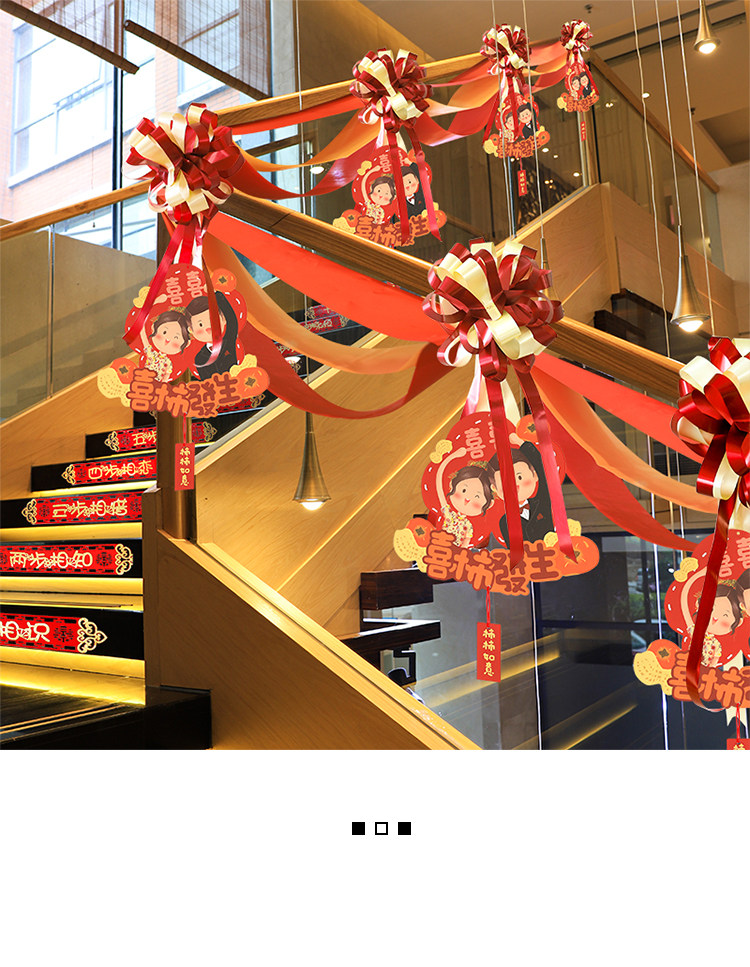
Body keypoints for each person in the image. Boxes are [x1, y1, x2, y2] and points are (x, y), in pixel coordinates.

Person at [489, 440, 554, 545]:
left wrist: (521, 443)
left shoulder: (541, 501)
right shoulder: (505, 522)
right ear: (494, 488)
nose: (514, 486)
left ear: (534, 475)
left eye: (519, 477)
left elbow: (543, 470)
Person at [435, 447, 494, 548]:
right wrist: (452, 457)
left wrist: (460, 553)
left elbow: (466, 543)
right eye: (463, 490)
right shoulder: (448, 513)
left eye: (477, 496)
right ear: (451, 485)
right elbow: (439, 484)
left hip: (453, 553)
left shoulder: (468, 526)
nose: (467, 499)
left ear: (489, 504)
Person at [682, 583, 743, 667]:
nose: (715, 617)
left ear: (738, 622)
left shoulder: (716, 644)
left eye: (725, 615)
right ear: (698, 605)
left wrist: (709, 670)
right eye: (711, 609)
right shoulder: (695, 632)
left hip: (704, 670)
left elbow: (715, 660)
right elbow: (685, 608)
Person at [187, 291, 241, 380]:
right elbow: (206, 381)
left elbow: (232, 320)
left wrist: (216, 294)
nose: (209, 327)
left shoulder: (228, 341)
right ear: (191, 330)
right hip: (218, 387)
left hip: (237, 383)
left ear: (223, 319)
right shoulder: (199, 358)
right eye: (200, 324)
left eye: (212, 320)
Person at [141, 309, 191, 382]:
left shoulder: (168, 362)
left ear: (186, 344)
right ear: (153, 328)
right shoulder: (151, 353)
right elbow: (143, 337)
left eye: (176, 337)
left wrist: (161, 385)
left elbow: (166, 376)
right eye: (164, 332)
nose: (168, 339)